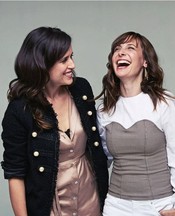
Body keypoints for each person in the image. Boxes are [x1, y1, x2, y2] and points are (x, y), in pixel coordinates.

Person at [1, 26, 109, 216]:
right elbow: (15, 173)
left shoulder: (81, 89)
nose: (72, 65)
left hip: (91, 199)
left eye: (72, 57)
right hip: (49, 205)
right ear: (42, 64)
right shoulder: (20, 110)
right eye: (64, 60)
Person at [96, 31, 175, 216]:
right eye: (117, 49)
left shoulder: (163, 102)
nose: (121, 53)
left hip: (159, 205)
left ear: (145, 61)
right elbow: (101, 159)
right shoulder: (104, 110)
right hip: (116, 206)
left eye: (130, 48)